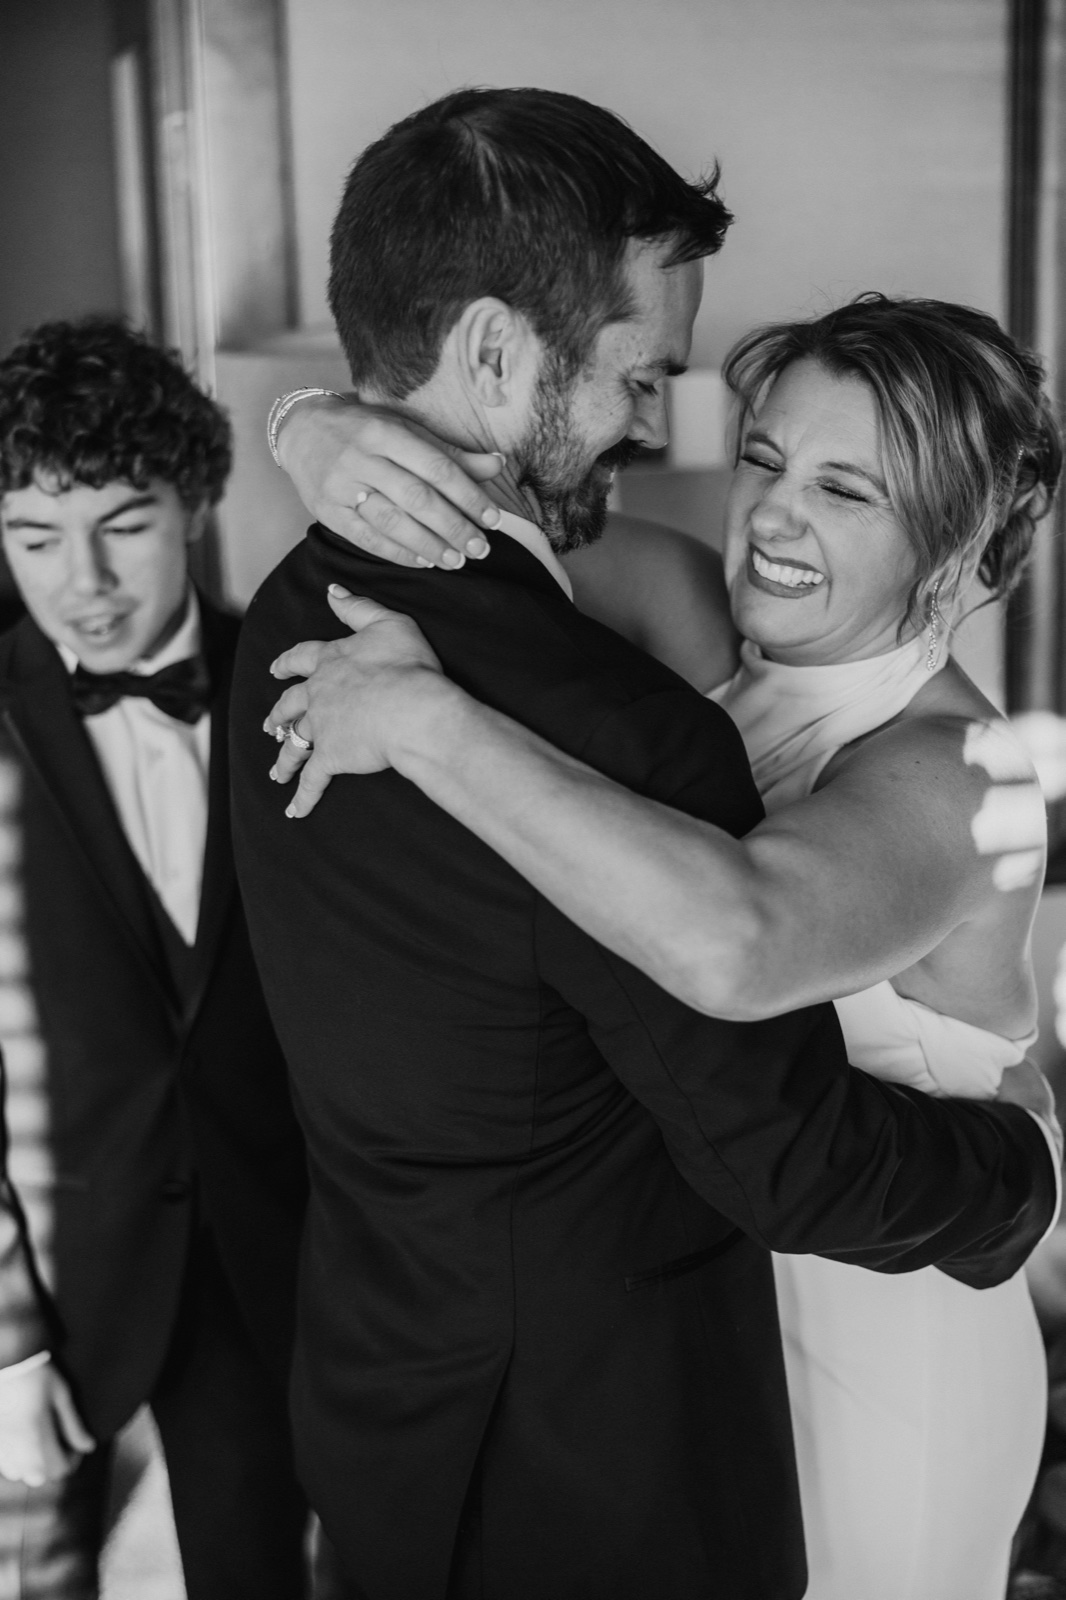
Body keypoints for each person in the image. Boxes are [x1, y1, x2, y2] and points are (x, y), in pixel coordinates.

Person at [231, 88, 1059, 1600]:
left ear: (954, 549)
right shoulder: (696, 612)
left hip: (883, 1310)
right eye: (760, 459)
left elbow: (735, 938)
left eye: (843, 488)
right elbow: (482, 513)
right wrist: (321, 424)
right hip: (689, 1318)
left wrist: (427, 727)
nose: (770, 521)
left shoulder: (956, 772)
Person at [0, 317, 310, 1599]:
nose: (84, 581)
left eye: (123, 524)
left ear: (196, 500)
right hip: (45, 1292)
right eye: (31, 538)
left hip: (273, 1270)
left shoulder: (306, 691)